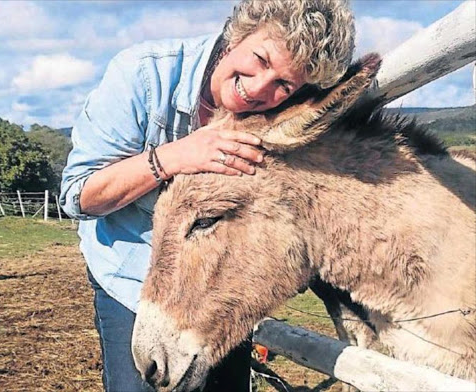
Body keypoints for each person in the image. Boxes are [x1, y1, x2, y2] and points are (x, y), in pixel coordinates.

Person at [60, 0, 355, 390]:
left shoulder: (282, 116)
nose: (257, 89)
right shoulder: (144, 74)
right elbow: (78, 196)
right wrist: (172, 157)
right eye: (261, 60)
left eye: (283, 84)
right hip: (130, 276)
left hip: (218, 281)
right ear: (238, 34)